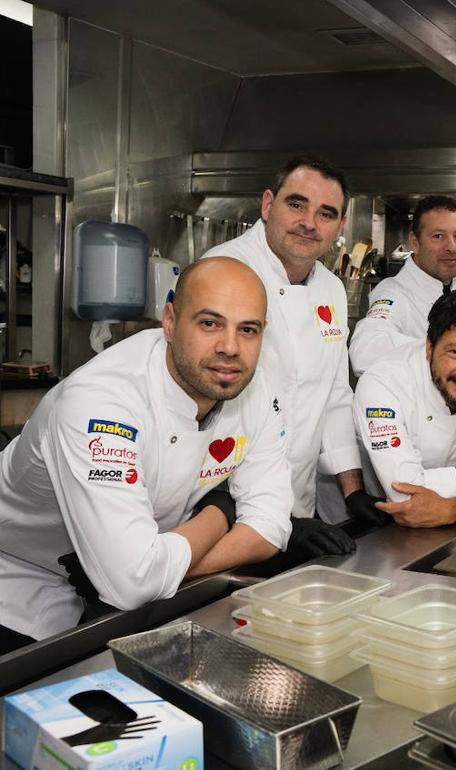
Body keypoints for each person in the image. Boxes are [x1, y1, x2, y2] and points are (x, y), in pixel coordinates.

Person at [0, 258, 294, 652]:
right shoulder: (101, 402)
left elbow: (270, 526)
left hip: (131, 594)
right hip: (17, 588)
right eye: (210, 323)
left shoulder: (252, 387)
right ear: (170, 321)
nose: (230, 347)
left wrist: (160, 566)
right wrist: (221, 512)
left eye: (248, 329)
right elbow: (133, 583)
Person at [203, 155, 382, 535]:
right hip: (216, 506)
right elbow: (199, 406)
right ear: (268, 205)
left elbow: (333, 395)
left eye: (326, 213)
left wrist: (353, 492)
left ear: (340, 226)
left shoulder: (331, 290)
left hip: (297, 502)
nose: (309, 223)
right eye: (296, 204)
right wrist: (256, 515)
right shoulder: (222, 271)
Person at [354, 288, 456, 528]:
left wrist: (450, 511)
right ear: (429, 348)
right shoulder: (383, 383)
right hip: (381, 525)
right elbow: (403, 493)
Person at [347, 195, 456, 375]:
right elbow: (364, 352)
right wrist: (446, 350)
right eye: (438, 236)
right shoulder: (394, 292)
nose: (452, 247)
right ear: (415, 243)